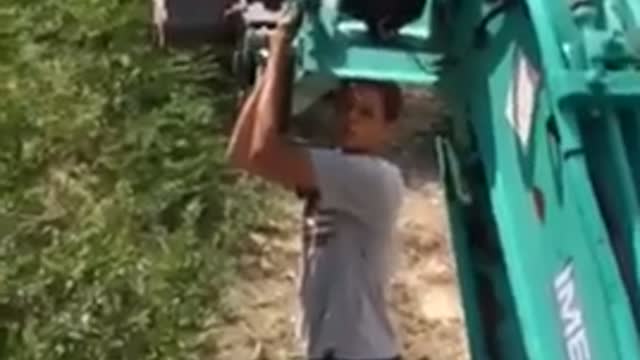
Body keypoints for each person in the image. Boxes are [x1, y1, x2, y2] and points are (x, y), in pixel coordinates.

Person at [226, 5, 405, 360]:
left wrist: (279, 52)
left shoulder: (372, 178)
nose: (351, 118)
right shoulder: (338, 169)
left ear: (388, 131)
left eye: (366, 113)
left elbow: (262, 152)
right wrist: (269, 71)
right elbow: (241, 154)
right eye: (346, 108)